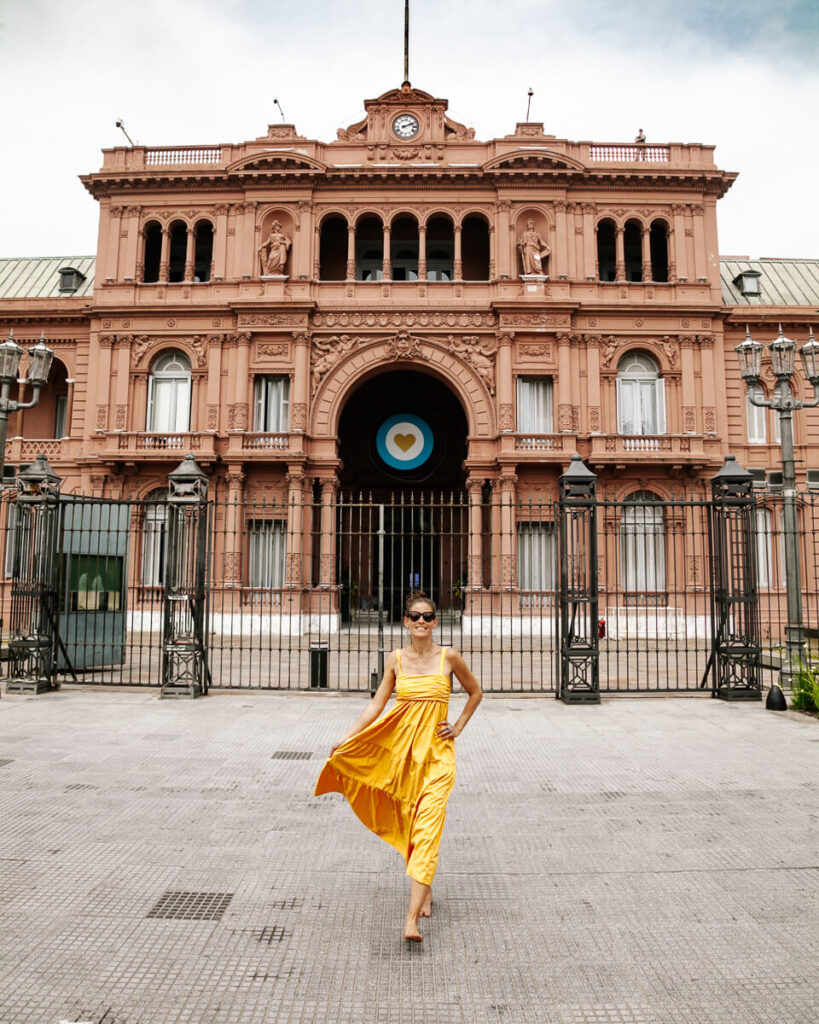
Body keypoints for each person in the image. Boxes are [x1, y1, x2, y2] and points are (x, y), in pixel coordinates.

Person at [314, 590, 482, 942]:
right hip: (403, 758)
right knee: (411, 824)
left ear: (436, 622)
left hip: (438, 759)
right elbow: (376, 705)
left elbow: (475, 693)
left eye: (427, 616)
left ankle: (410, 921)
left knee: (427, 830)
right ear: (405, 622)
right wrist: (347, 737)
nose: (421, 621)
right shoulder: (396, 660)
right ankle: (426, 888)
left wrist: (458, 727)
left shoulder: (450, 658)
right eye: (415, 616)